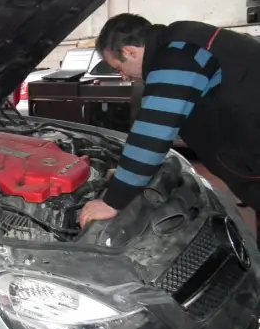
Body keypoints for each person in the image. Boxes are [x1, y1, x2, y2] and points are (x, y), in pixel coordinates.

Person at [79, 13, 260, 239]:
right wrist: (129, 174)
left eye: (119, 68)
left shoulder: (178, 55)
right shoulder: (184, 41)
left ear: (130, 52)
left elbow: (153, 131)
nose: (124, 77)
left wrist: (114, 199)